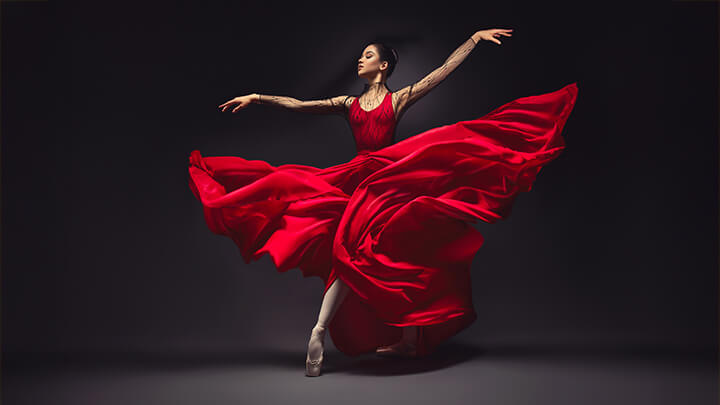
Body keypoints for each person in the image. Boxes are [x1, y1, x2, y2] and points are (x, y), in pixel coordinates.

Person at [189, 28, 578, 377]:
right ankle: (327, 331)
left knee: (385, 251)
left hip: (382, 183)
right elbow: (299, 104)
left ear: (384, 65)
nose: (360, 59)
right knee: (365, 252)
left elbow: (440, 73)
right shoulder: (349, 103)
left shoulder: (396, 98)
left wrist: (473, 40)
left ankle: (351, 334)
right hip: (370, 185)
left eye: (368, 55)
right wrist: (257, 97)